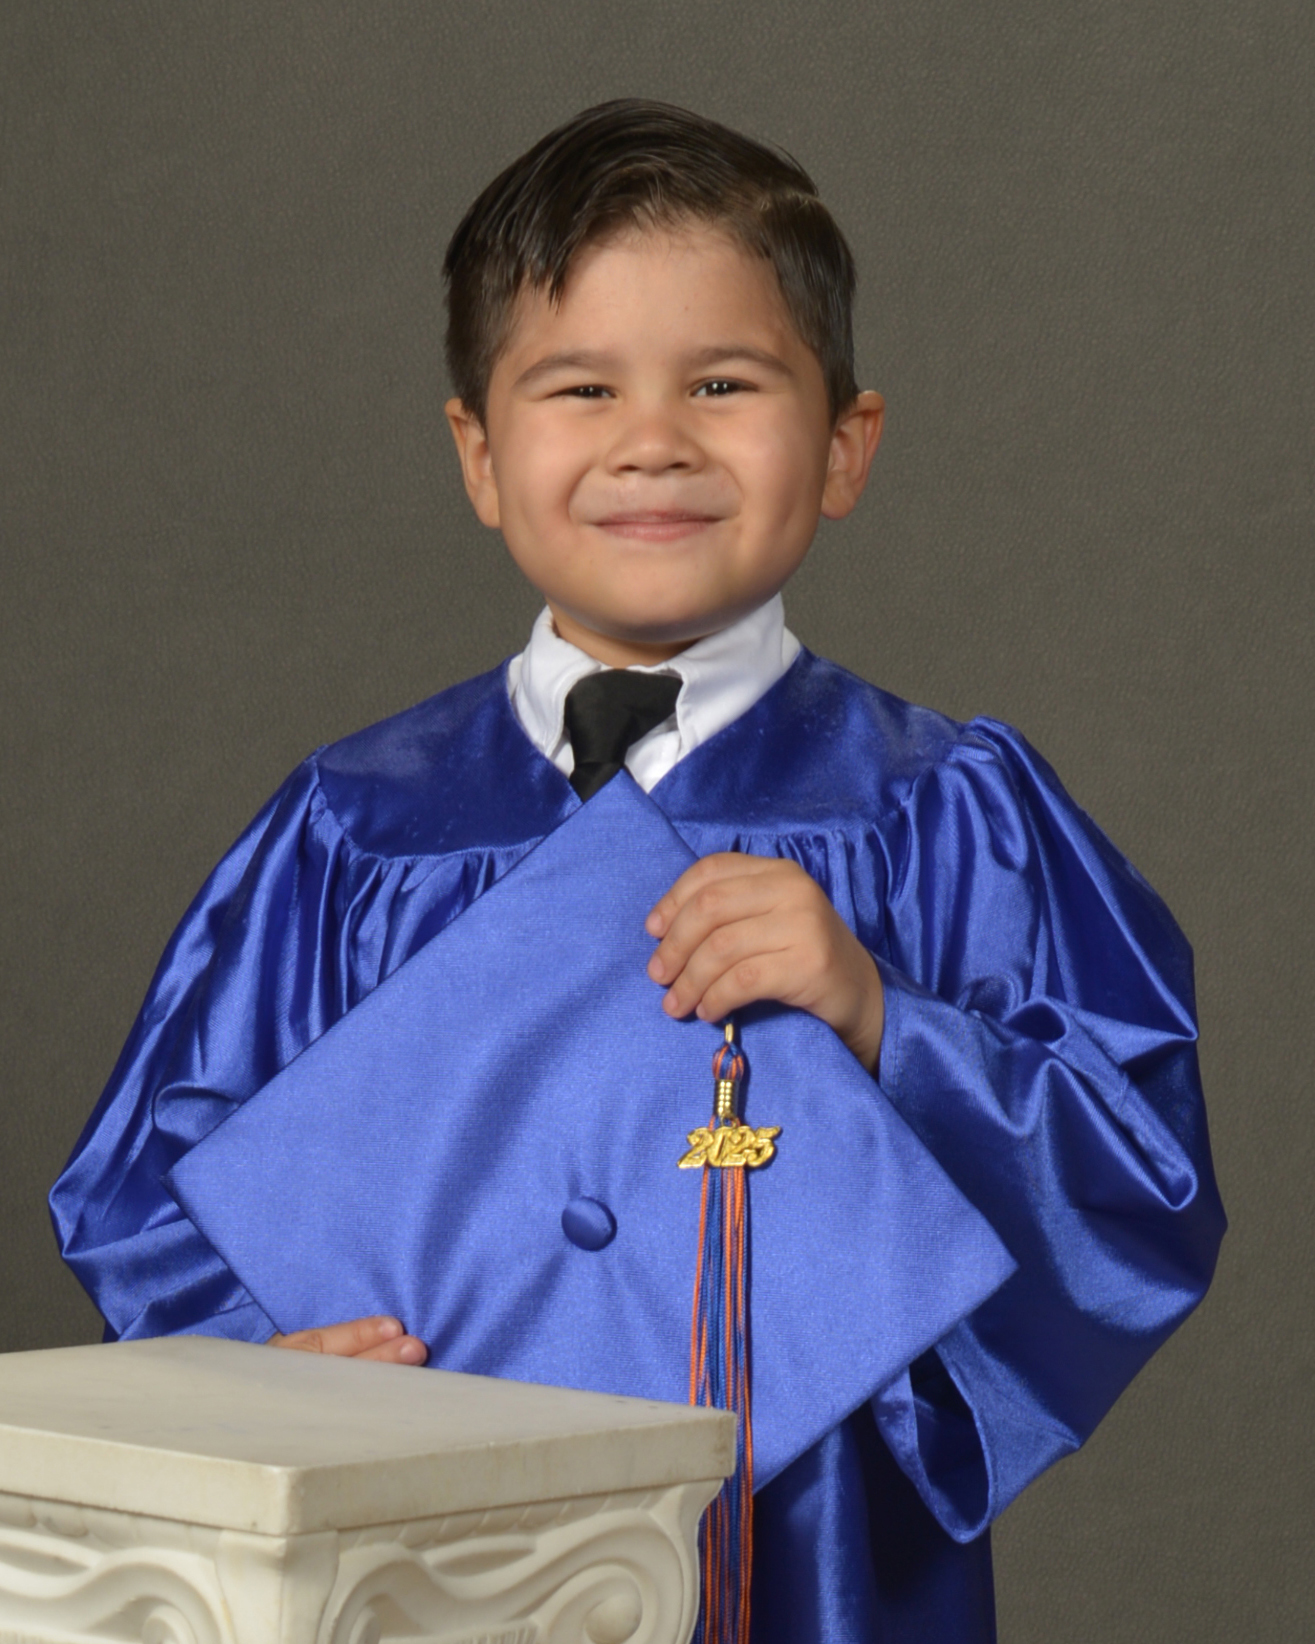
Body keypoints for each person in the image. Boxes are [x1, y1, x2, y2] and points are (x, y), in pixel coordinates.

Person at [50, 101, 1224, 1643]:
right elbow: (150, 1188)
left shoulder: (945, 816)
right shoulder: (355, 832)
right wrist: (248, 1368)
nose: (653, 440)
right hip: (413, 1558)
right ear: (479, 454)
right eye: (581, 386)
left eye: (724, 383)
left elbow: (1136, 1183)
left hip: (810, 1567)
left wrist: (884, 1019)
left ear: (846, 444)